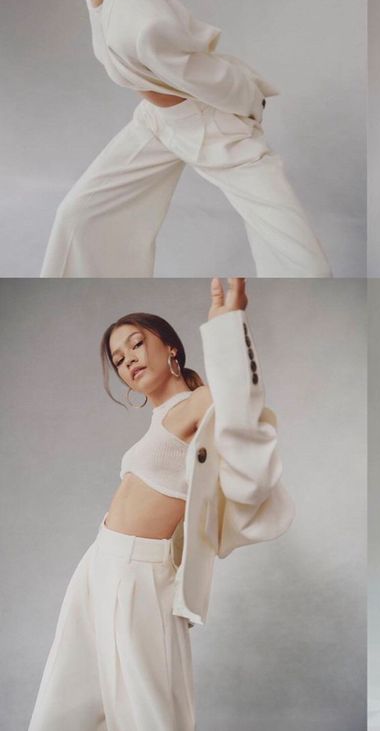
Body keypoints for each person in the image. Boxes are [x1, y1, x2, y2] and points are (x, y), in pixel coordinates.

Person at [42, 0, 331, 278]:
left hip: (215, 132)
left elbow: (211, 75)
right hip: (157, 122)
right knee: (78, 216)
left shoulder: (143, 19)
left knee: (302, 264)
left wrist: (252, 104)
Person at [28, 278, 294, 731]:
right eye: (118, 358)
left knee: (149, 705)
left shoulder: (197, 405)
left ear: (171, 349)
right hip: (99, 562)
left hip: (142, 574)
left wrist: (229, 328)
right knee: (68, 696)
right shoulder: (159, 418)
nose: (128, 359)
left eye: (136, 344)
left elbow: (242, 403)